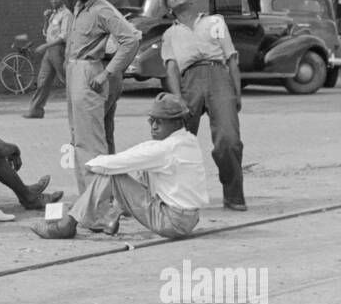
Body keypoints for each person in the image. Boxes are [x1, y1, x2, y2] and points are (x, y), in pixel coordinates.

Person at [30, 93, 208, 239]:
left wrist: (90, 165)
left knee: (112, 174)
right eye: (151, 121)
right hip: (189, 219)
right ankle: (109, 216)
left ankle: (67, 224)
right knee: (139, 169)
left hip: (172, 222)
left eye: (159, 122)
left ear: (177, 122)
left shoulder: (165, 149)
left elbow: (109, 165)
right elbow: (139, 152)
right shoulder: (187, 140)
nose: (153, 126)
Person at [161, 0, 246, 211]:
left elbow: (231, 58)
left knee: (229, 139)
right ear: (169, 9)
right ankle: (175, 199)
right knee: (178, 140)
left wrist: (236, 92)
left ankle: (234, 195)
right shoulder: (170, 34)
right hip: (189, 80)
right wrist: (177, 97)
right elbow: (171, 68)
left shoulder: (214, 22)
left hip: (218, 75)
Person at [63, 0, 139, 193]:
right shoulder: (80, 8)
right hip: (75, 71)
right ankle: (97, 198)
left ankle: (98, 206)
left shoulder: (102, 9)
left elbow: (131, 40)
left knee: (90, 143)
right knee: (82, 139)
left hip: (90, 71)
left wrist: (107, 73)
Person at [24, 0, 71, 119]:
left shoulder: (66, 14)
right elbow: (46, 33)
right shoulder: (53, 14)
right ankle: (36, 110)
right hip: (50, 50)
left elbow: (64, 36)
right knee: (42, 81)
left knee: (67, 79)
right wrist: (45, 19)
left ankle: (81, 107)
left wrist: (45, 46)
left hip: (59, 49)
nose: (53, 0)